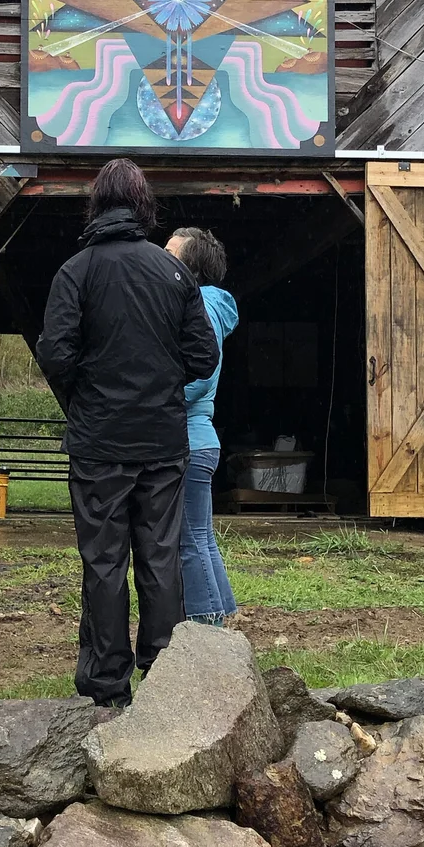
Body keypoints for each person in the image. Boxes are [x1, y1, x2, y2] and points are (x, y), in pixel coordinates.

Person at [36, 159, 218, 707]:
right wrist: (158, 387)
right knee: (160, 557)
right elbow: (202, 354)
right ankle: (162, 675)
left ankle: (105, 682)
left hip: (99, 444)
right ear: (144, 206)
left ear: (95, 204)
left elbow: (56, 353)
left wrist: (85, 402)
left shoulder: (76, 271)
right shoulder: (174, 274)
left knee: (104, 560)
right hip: (162, 442)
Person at [166, 226, 239, 627]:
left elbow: (198, 377)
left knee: (188, 539)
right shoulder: (206, 303)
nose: (161, 259)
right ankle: (221, 613)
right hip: (199, 439)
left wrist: (156, 401)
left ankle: (206, 623)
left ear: (188, 267)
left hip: (189, 439)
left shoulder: (202, 308)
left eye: (169, 253)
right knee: (201, 535)